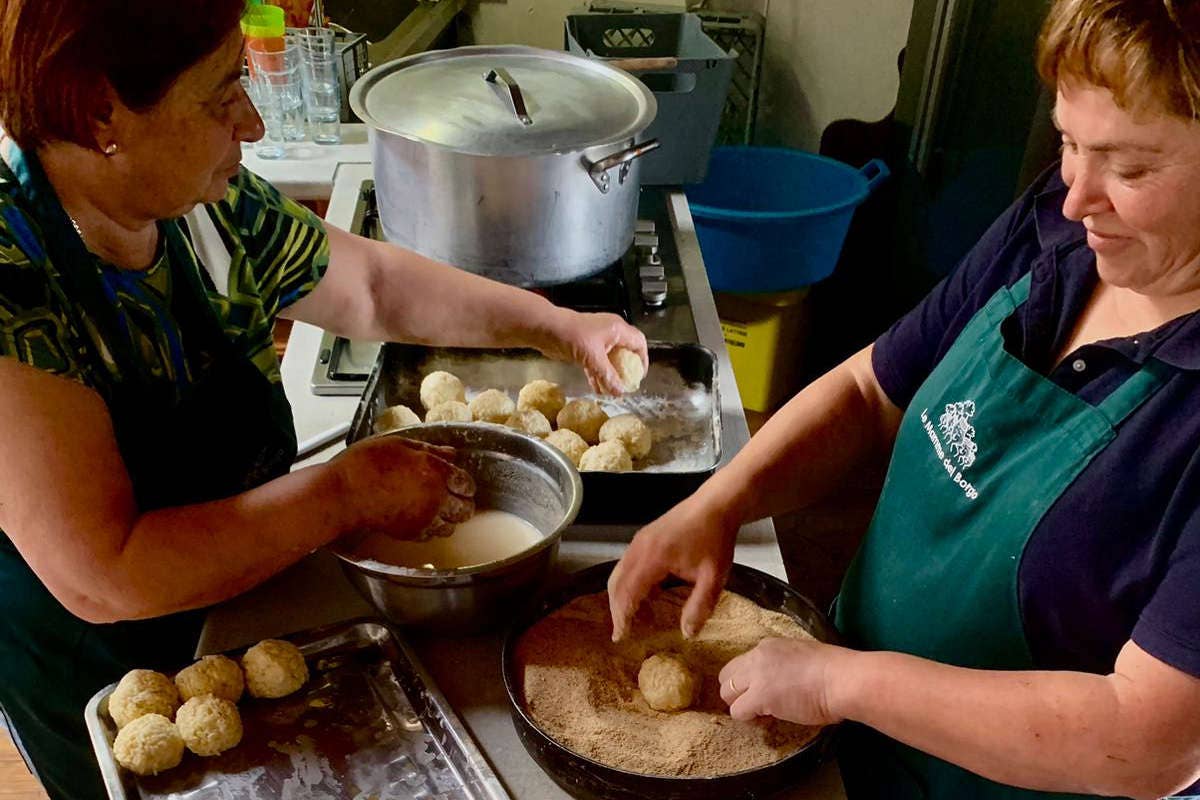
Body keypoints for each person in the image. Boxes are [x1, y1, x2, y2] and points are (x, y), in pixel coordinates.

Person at [0, 1, 648, 798]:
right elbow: (102, 571)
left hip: (248, 582)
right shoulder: (12, 274)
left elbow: (371, 288)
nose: (253, 124)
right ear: (103, 110)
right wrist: (343, 492)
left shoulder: (204, 202)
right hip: (103, 656)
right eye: (220, 92)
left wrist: (553, 326)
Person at [609, 0, 1200, 797]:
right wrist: (721, 501)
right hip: (839, 739)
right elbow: (869, 390)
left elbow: (1144, 742)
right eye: (1068, 142)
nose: (1073, 196)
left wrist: (838, 684)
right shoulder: (1055, 236)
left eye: (1128, 168)